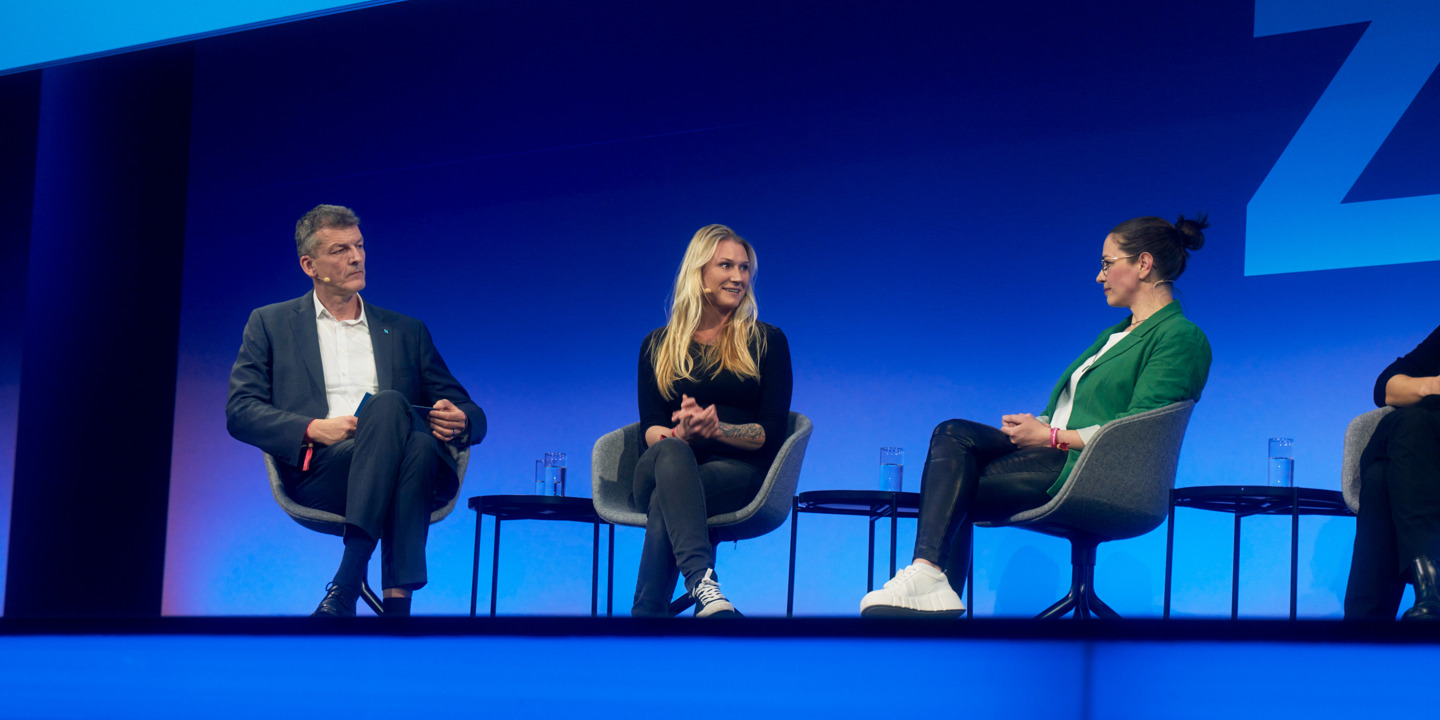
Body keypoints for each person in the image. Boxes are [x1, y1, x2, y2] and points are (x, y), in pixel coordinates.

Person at [861, 215, 1212, 617]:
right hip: (1056, 451)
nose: (1099, 277)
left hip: (1093, 472)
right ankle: (931, 580)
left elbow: (1138, 429)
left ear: (1144, 264)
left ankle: (932, 588)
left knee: (952, 486)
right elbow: (1074, 410)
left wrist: (1049, 436)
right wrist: (1035, 427)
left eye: (1106, 263)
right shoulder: (1116, 334)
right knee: (953, 433)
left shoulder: (1179, 336)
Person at [226, 204, 486, 617]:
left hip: (412, 468)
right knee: (413, 450)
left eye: (359, 246)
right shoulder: (271, 323)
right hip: (327, 471)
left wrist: (463, 420)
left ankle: (345, 584)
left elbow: (471, 409)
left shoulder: (405, 330)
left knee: (390, 410)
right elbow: (240, 411)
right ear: (309, 265)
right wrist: (313, 428)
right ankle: (398, 616)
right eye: (340, 249)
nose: (356, 257)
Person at [631, 224, 793, 617]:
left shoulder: (767, 341)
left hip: (738, 474)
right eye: (726, 266)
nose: (738, 277)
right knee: (672, 453)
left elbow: (771, 432)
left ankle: (647, 618)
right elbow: (649, 424)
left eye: (744, 268)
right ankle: (704, 587)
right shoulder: (657, 344)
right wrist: (679, 434)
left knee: (666, 500)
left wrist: (717, 429)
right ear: (699, 273)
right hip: (660, 461)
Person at [1344, 326, 1440, 621]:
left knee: (1381, 478)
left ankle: (1363, 627)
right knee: (1404, 436)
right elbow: (1386, 387)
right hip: (1421, 451)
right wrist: (1432, 385)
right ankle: (1430, 589)